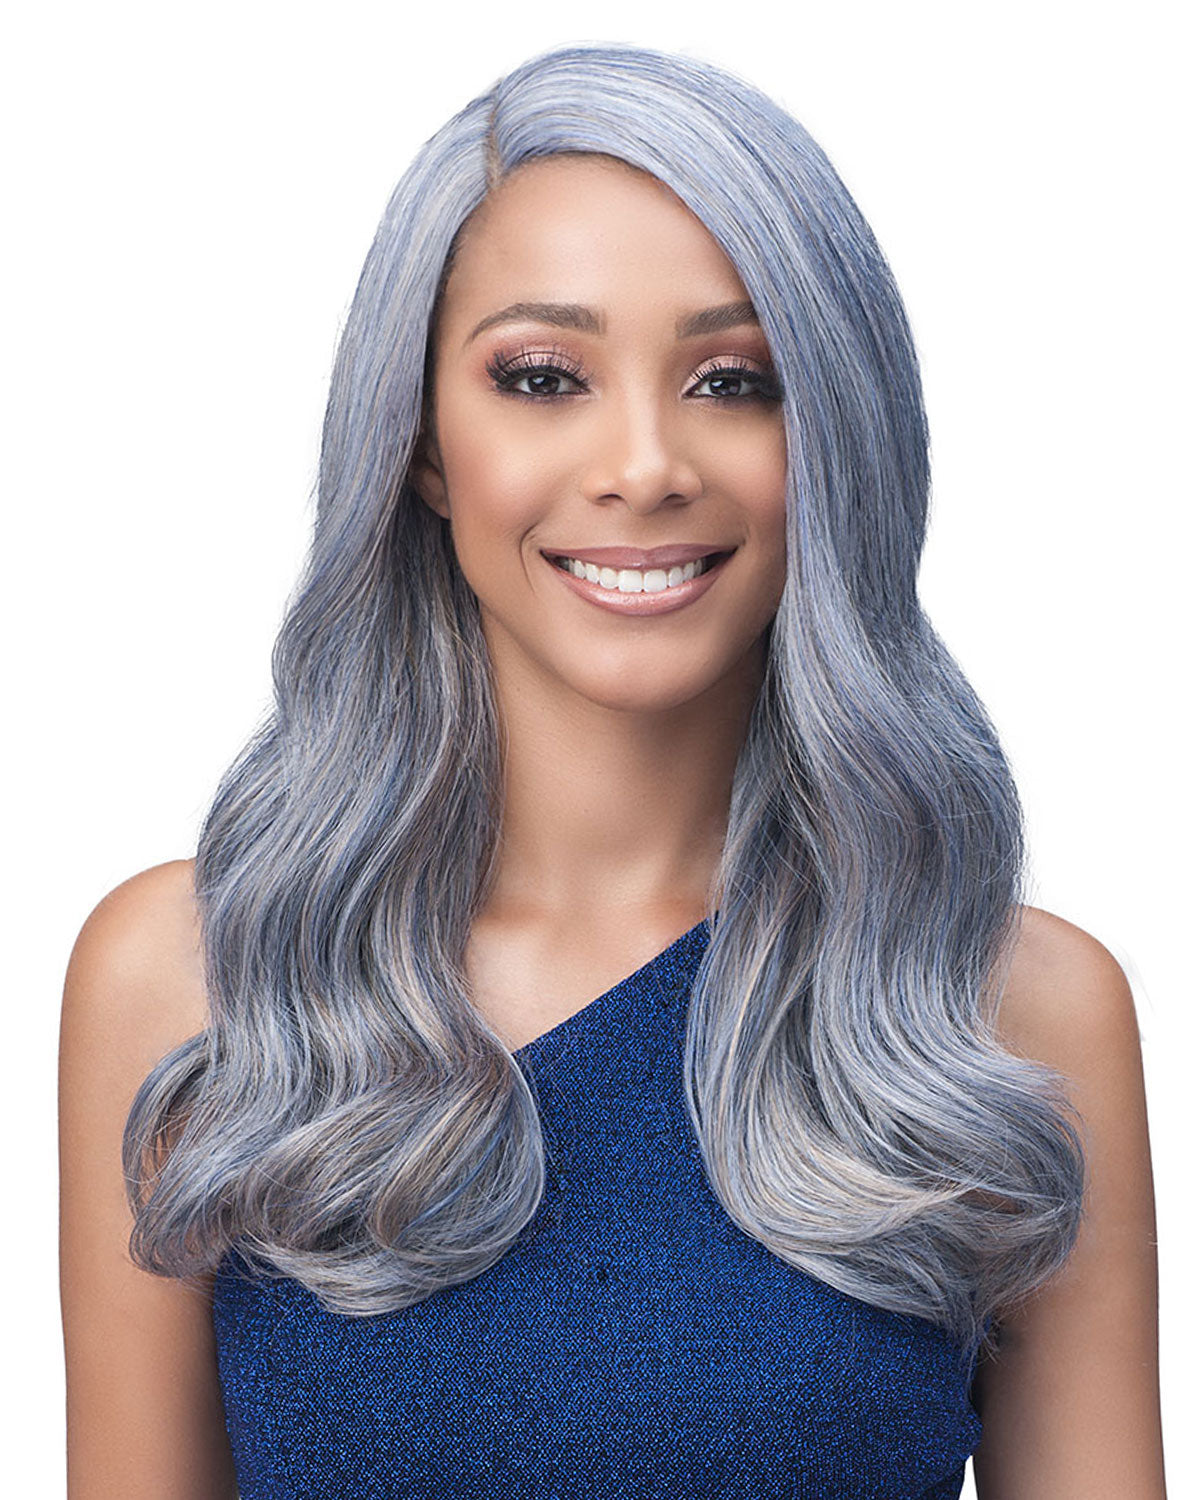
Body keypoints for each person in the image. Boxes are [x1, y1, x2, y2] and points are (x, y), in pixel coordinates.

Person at [58, 40, 1165, 1500]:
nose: (644, 465)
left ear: (835, 436)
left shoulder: (1010, 1011)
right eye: (542, 377)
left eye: (732, 380)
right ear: (423, 446)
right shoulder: (195, 977)